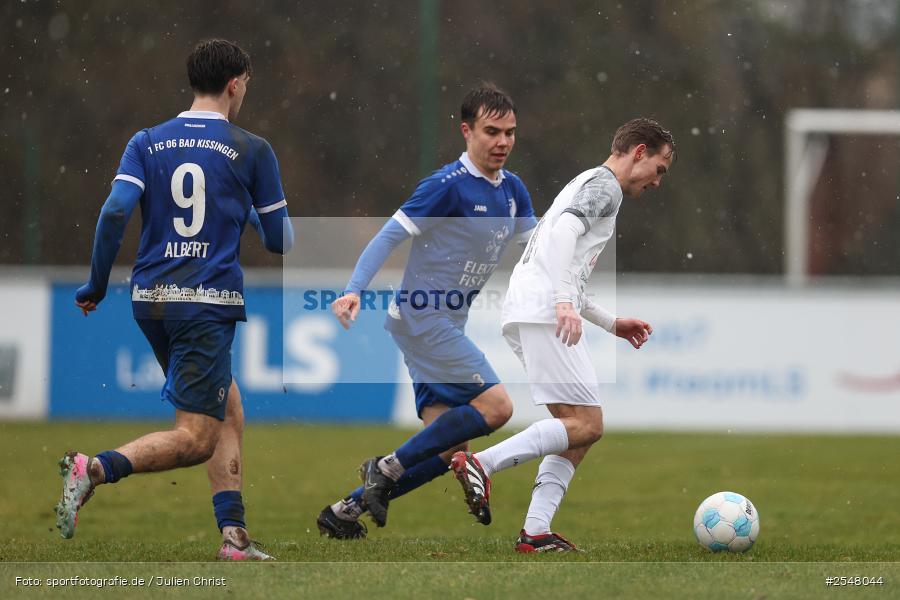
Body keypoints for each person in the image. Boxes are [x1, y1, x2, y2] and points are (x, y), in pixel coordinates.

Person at [55, 39, 293, 561]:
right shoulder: (252, 148)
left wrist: (96, 284)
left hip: (151, 299)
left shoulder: (147, 141)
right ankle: (93, 468)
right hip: (205, 302)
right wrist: (255, 211)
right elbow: (281, 242)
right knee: (196, 437)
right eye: (246, 84)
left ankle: (234, 538)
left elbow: (115, 212)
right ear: (236, 84)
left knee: (226, 409)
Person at [317, 84, 537, 538]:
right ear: (466, 131)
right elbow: (389, 236)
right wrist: (355, 288)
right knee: (496, 408)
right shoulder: (445, 187)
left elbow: (536, 250)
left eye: (510, 133)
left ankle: (342, 513)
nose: (502, 142)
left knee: (444, 450)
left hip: (437, 322)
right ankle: (386, 466)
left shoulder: (513, 190)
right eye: (491, 132)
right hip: (424, 318)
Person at [451, 118, 675, 552]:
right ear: (640, 151)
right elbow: (567, 231)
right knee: (587, 424)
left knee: (576, 429)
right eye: (660, 169)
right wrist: (561, 302)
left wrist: (610, 322)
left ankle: (535, 532)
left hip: (531, 305)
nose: (658, 182)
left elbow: (563, 261)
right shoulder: (606, 186)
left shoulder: (588, 181)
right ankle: (480, 463)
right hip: (542, 309)